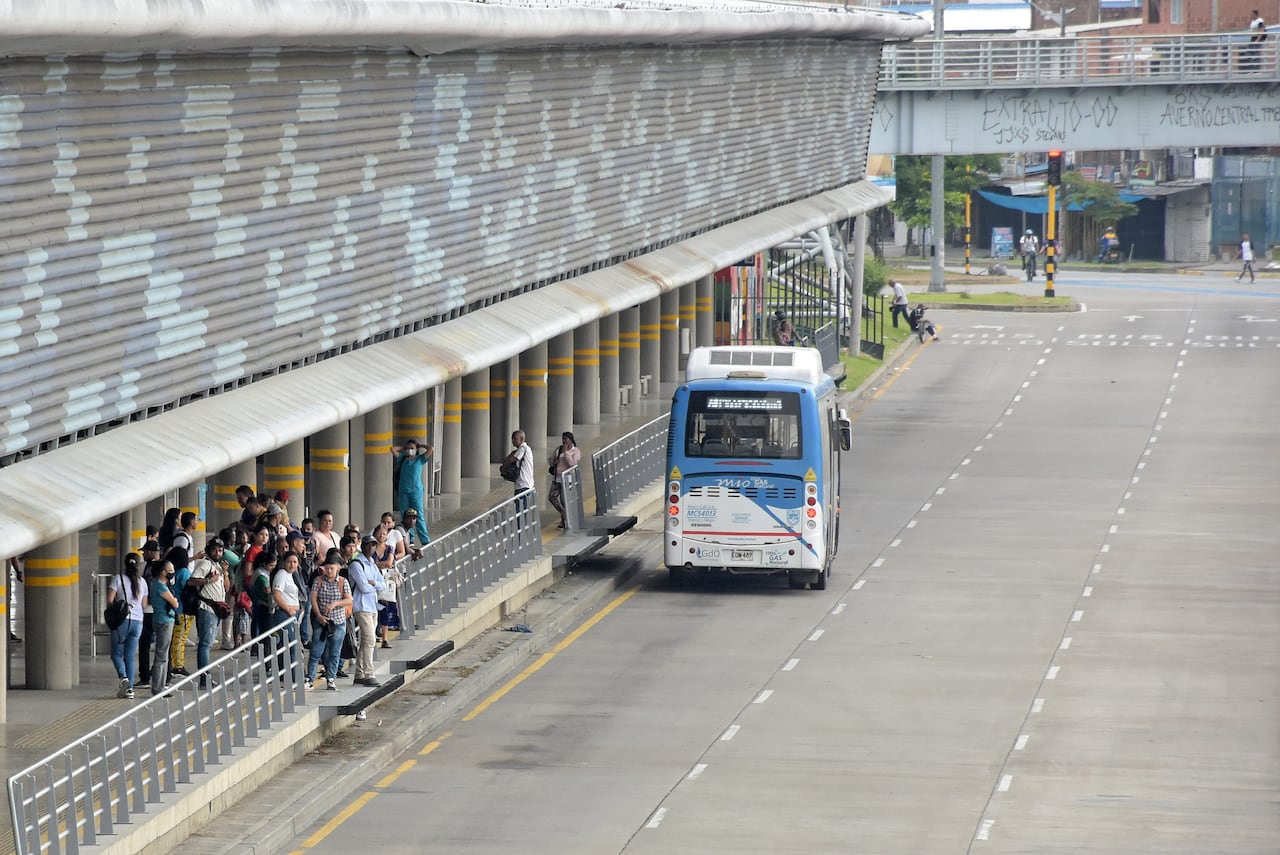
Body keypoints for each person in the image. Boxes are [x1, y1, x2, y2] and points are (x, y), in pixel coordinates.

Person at [305, 556, 352, 691]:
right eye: (327, 568)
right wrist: (319, 615)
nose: (329, 571)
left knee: (335, 651)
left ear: (338, 569)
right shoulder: (318, 581)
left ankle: (331, 678)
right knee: (316, 651)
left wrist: (335, 604)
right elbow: (313, 599)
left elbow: (349, 600)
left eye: (332, 568)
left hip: (338, 621)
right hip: (322, 621)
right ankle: (310, 679)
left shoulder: (343, 582)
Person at [347, 534, 387, 687]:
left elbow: (383, 584)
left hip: (372, 605)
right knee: (370, 639)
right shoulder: (357, 564)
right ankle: (369, 673)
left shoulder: (372, 564)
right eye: (368, 544)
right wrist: (374, 585)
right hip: (360, 606)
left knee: (366, 641)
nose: (371, 547)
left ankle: (359, 673)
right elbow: (363, 587)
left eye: (373, 545)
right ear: (362, 546)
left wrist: (373, 583)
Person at [107, 553, 146, 699]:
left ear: (125, 564)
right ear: (138, 565)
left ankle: (123, 677)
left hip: (121, 622)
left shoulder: (118, 579)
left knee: (116, 654)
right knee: (130, 656)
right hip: (138, 622)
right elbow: (144, 604)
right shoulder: (142, 582)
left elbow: (109, 600)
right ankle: (130, 690)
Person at [189, 538, 228, 683]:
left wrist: (225, 573)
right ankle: (204, 678)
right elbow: (191, 581)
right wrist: (208, 581)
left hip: (216, 608)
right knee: (205, 644)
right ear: (209, 551)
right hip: (207, 608)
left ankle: (205, 676)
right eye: (214, 550)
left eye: (220, 550)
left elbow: (226, 588)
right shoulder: (205, 564)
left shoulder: (218, 566)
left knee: (208, 643)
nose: (217, 553)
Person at [390, 439, 433, 545]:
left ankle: (425, 540)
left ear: (416, 449)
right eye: (408, 448)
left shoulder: (420, 459)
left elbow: (430, 449)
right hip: (403, 490)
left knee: (418, 515)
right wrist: (403, 447)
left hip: (416, 491)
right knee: (405, 515)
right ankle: (410, 538)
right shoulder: (403, 458)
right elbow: (392, 449)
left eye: (412, 448)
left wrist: (420, 445)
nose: (410, 450)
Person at [271, 552, 304, 681]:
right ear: (284, 562)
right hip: (284, 614)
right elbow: (277, 594)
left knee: (289, 645)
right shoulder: (282, 575)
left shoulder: (291, 576)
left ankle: (287, 678)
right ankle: (292, 678)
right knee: (291, 645)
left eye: (295, 562)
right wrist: (288, 609)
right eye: (289, 562)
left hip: (292, 614)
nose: (292, 564)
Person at [148, 559, 179, 694]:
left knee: (161, 653)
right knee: (162, 656)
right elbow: (175, 603)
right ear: (163, 572)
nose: (173, 573)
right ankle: (158, 688)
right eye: (170, 571)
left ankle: (159, 685)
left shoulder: (154, 583)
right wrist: (175, 600)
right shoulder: (161, 587)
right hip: (165, 621)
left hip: (158, 618)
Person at [547, 431, 582, 530]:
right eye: (562, 439)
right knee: (552, 497)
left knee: (564, 500)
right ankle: (564, 514)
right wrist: (553, 462)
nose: (564, 441)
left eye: (566, 439)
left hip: (567, 479)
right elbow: (551, 460)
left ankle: (564, 521)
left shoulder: (575, 451)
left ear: (571, 440)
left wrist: (566, 452)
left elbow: (572, 463)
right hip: (557, 478)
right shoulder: (559, 449)